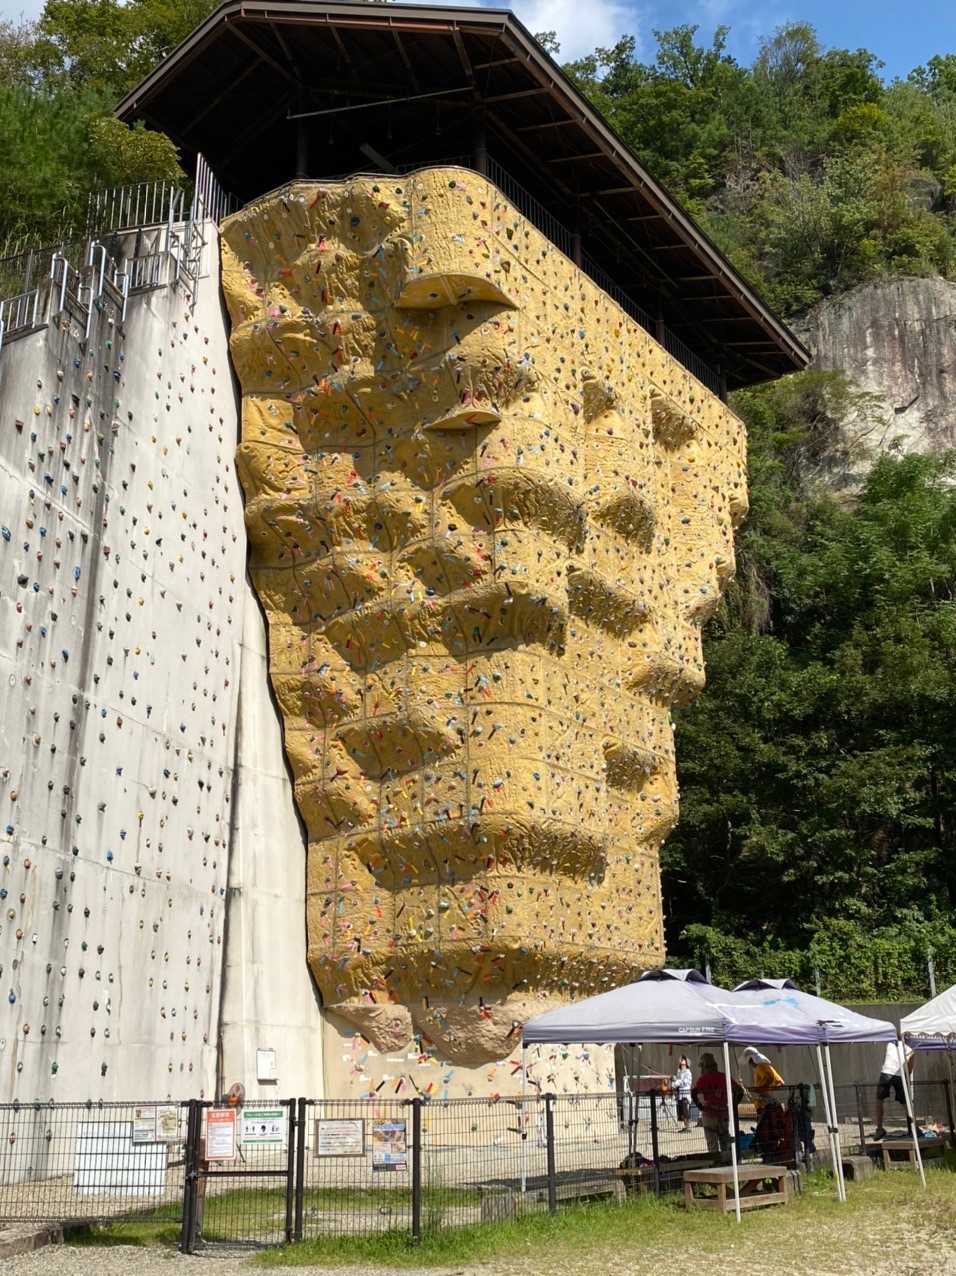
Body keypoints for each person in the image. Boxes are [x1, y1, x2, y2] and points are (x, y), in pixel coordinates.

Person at [692, 1052, 742, 1162]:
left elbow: (693, 1092)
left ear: (704, 1066)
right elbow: (739, 1091)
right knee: (725, 1142)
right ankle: (728, 1163)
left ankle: (715, 1164)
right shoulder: (724, 1077)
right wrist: (733, 1105)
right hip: (723, 1113)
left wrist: (700, 1106)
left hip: (709, 1114)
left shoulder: (703, 1079)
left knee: (712, 1144)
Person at [873, 1041, 914, 1140]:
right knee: (906, 1103)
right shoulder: (910, 1049)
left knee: (879, 1100)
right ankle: (913, 1127)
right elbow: (909, 1068)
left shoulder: (890, 1043)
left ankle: (879, 1129)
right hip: (899, 1075)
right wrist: (907, 1075)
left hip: (886, 1072)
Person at [742, 1046, 785, 1112]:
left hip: (766, 1098)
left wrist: (761, 1089)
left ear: (752, 1061)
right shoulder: (765, 1066)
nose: (750, 1065)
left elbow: (769, 1078)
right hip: (767, 1097)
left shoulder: (760, 1067)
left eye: (750, 1062)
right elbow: (778, 1080)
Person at [671, 1055, 693, 1132]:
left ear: (686, 1064)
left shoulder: (688, 1073)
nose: (682, 1066)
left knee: (686, 1111)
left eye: (683, 1064)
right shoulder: (679, 1072)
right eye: (681, 1064)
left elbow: (684, 1082)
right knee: (682, 1112)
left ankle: (688, 1127)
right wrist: (674, 1080)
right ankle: (685, 1127)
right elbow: (677, 1081)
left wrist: (676, 1082)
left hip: (686, 1094)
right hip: (680, 1094)